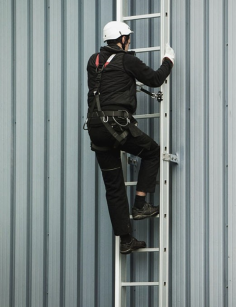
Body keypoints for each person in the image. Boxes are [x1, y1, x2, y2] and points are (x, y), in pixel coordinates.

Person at [85, 21, 175, 254]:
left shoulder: (93, 62)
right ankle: (140, 204)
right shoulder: (127, 60)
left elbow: (110, 85)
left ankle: (126, 240)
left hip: (96, 127)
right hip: (116, 124)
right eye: (128, 38)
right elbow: (155, 79)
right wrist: (169, 61)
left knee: (113, 186)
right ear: (122, 39)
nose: (130, 41)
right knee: (152, 151)